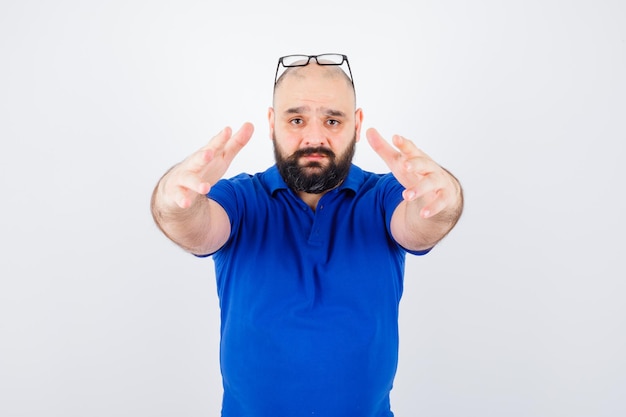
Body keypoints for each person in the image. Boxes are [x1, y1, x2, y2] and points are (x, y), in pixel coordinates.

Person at [151, 53, 463, 417]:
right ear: (272, 123)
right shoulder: (239, 199)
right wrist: (175, 202)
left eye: (333, 120)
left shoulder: (385, 196)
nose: (314, 137)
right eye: (296, 119)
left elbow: (418, 226)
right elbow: (197, 231)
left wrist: (443, 200)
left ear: (357, 125)